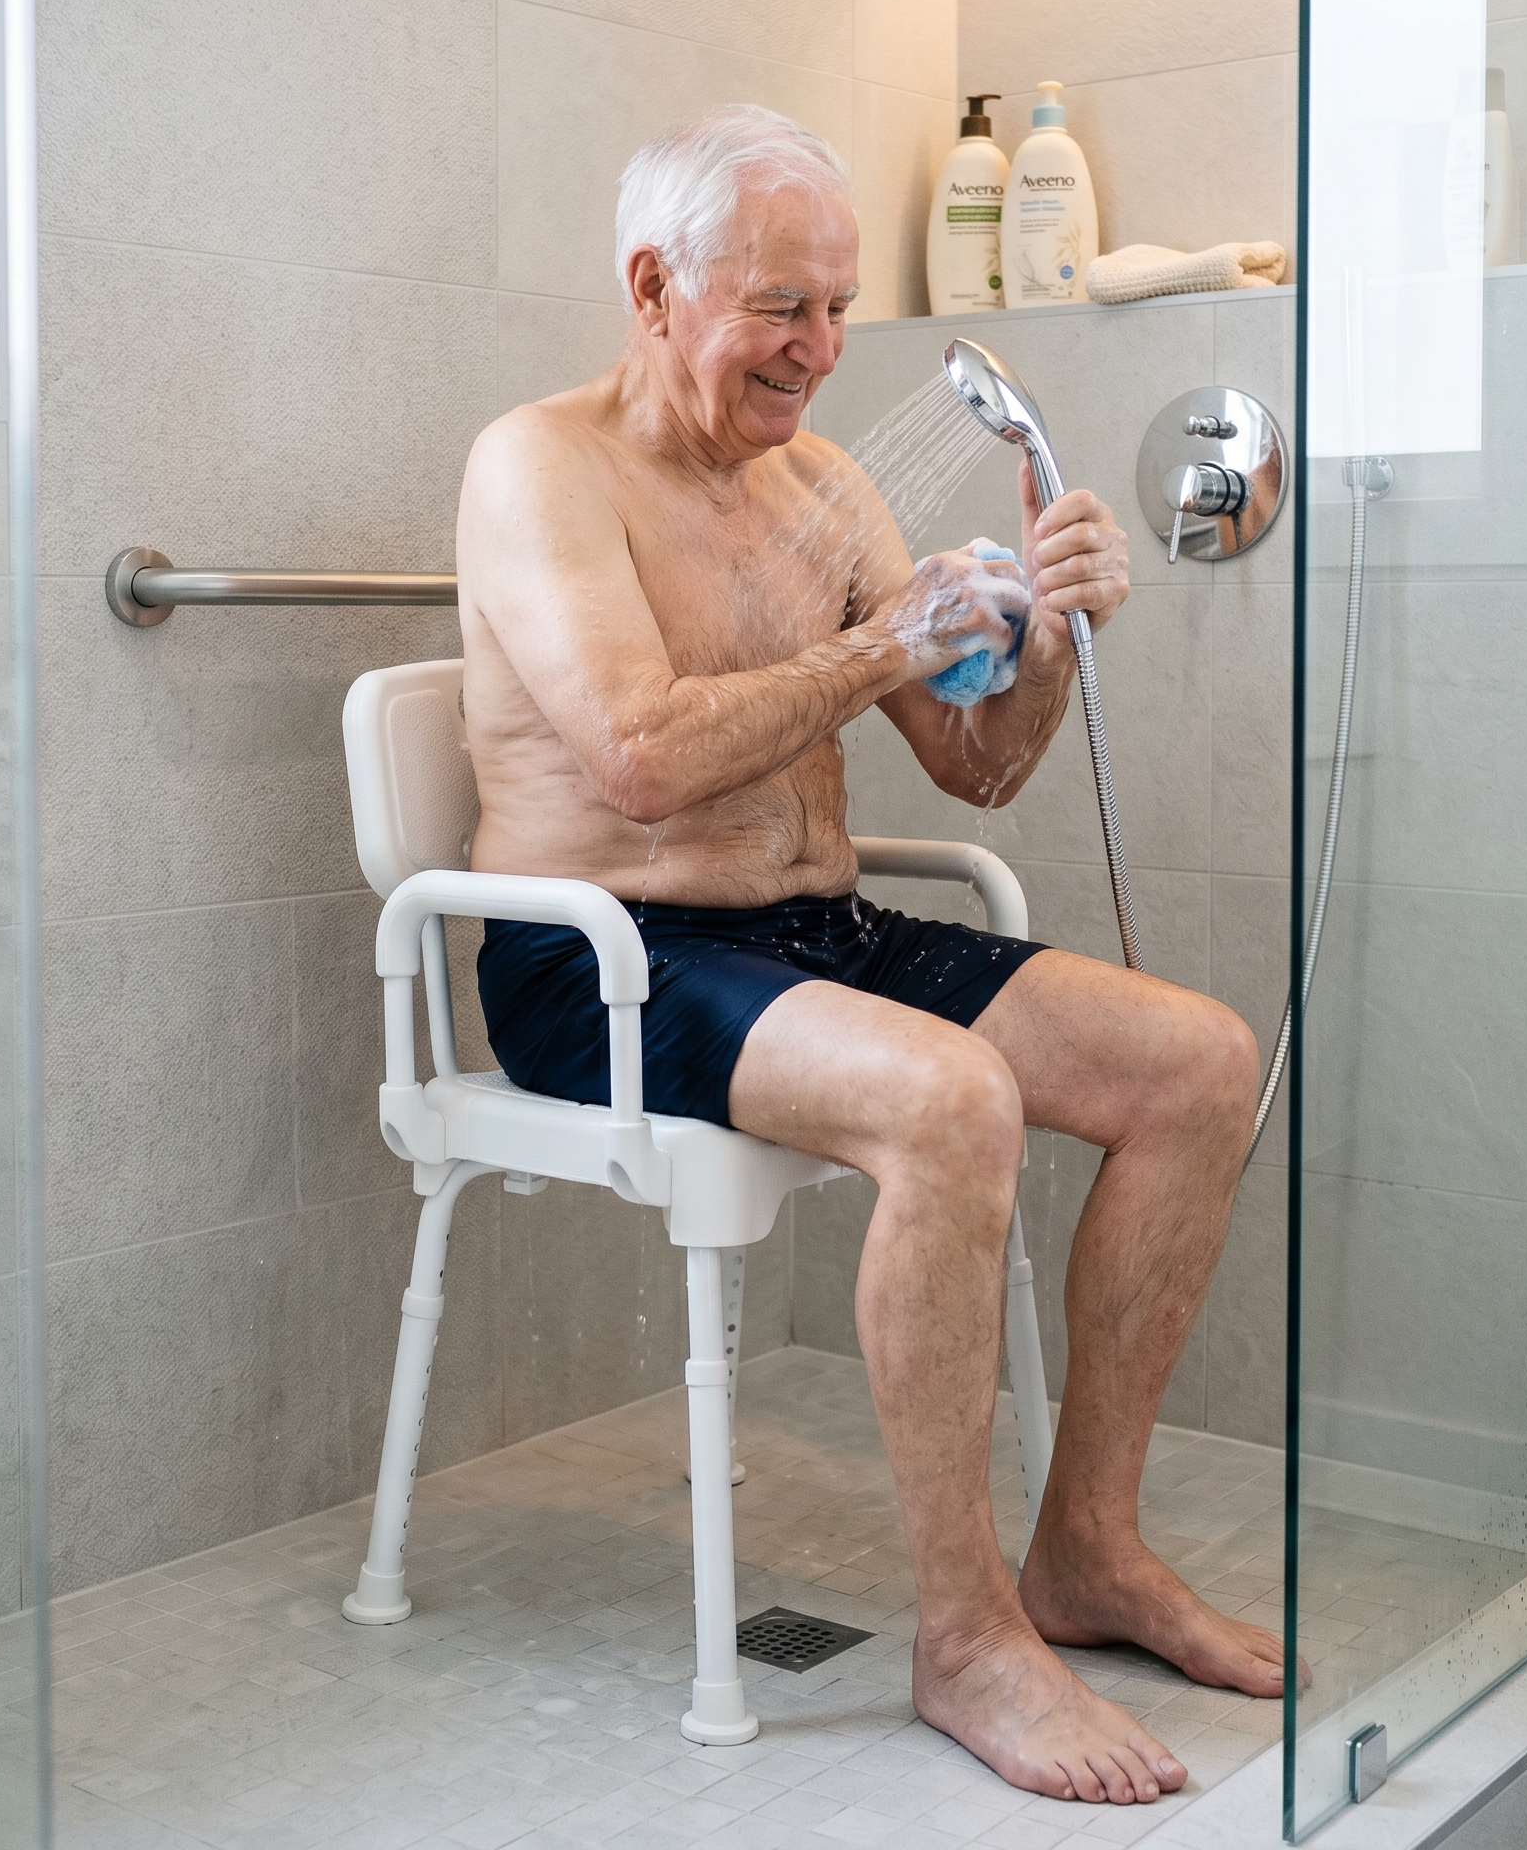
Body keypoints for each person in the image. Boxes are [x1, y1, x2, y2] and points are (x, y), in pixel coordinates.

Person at [454, 105, 1275, 1806]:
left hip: (809, 933)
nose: (821, 351)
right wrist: (887, 639)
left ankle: (1089, 1554)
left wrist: (1045, 629)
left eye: (837, 310)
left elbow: (976, 767)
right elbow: (639, 757)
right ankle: (967, 1637)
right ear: (655, 285)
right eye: (782, 308)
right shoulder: (541, 465)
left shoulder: (823, 489)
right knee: (955, 1095)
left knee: (1196, 1061)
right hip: (611, 954)